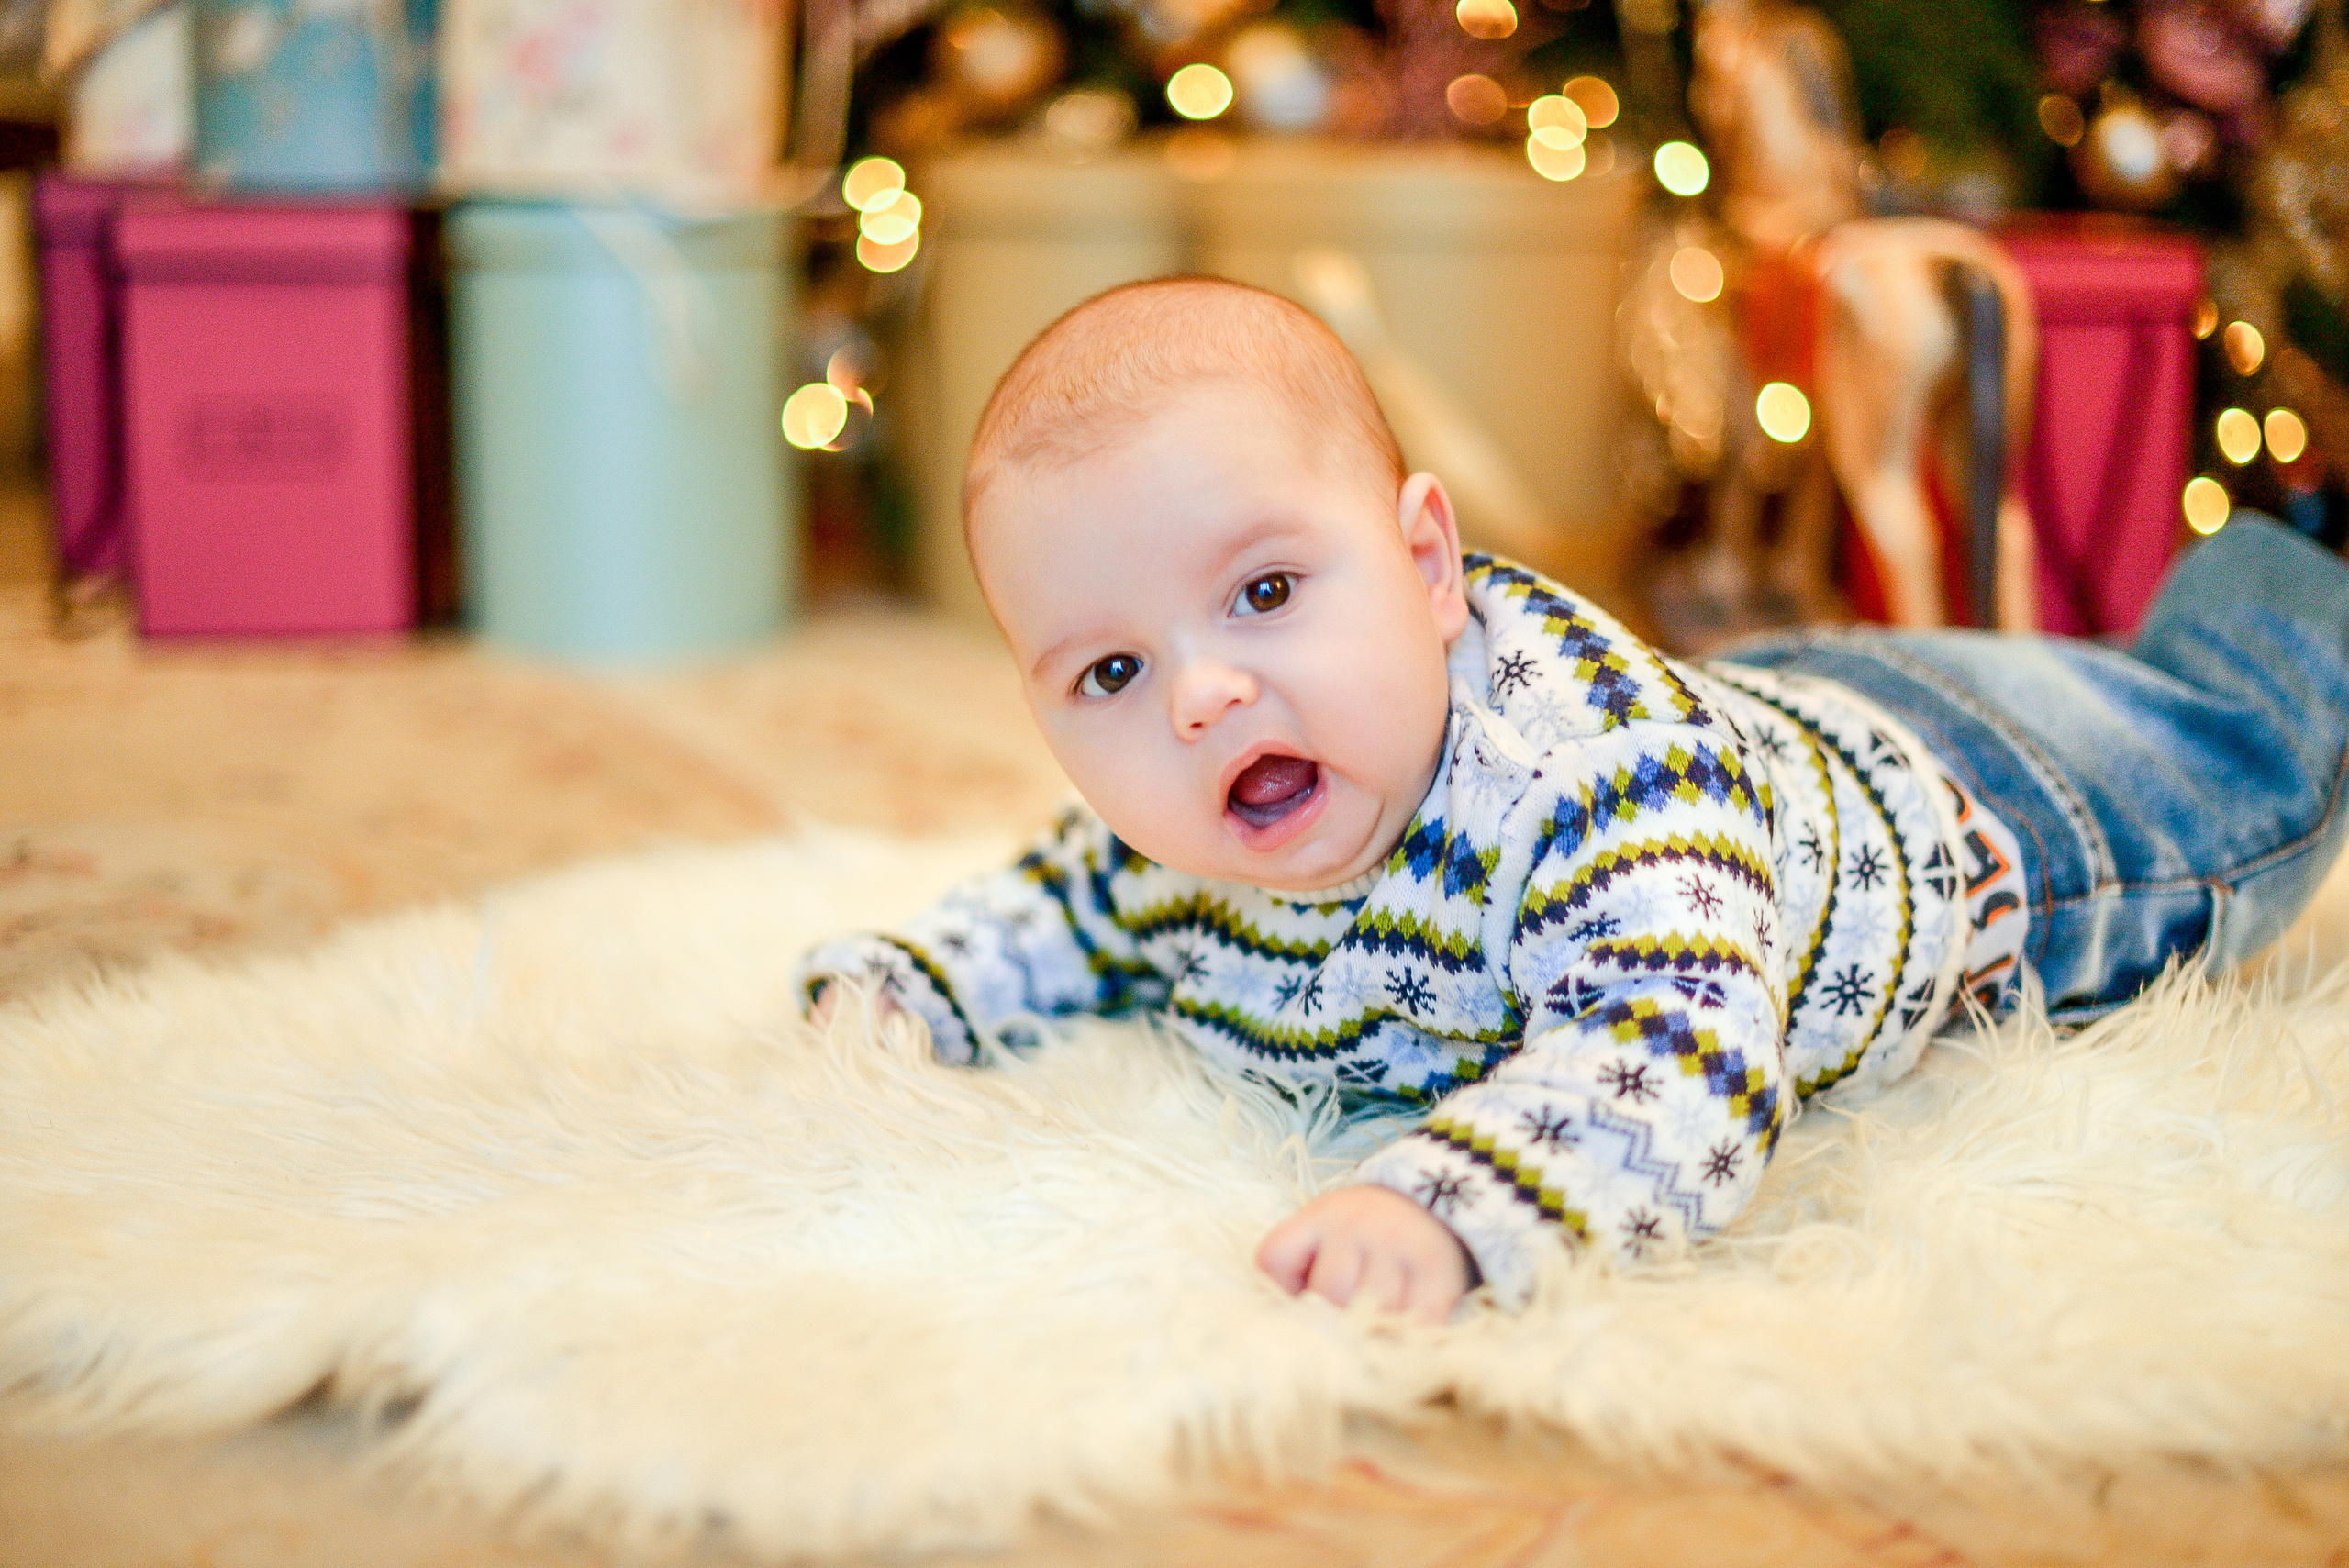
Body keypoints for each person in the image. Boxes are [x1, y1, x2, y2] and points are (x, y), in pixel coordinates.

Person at [800, 276, 2349, 1322]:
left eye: (1266, 588)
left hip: (1999, 825)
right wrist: (909, 988)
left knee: (2242, 736)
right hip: (1765, 714)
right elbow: (1069, 898)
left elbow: (1680, 1044)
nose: (1200, 693)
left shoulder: (1590, 789)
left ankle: (2310, 550)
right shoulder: (1193, 819)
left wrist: (1457, 1206)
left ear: (1423, 564)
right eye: (1111, 675)